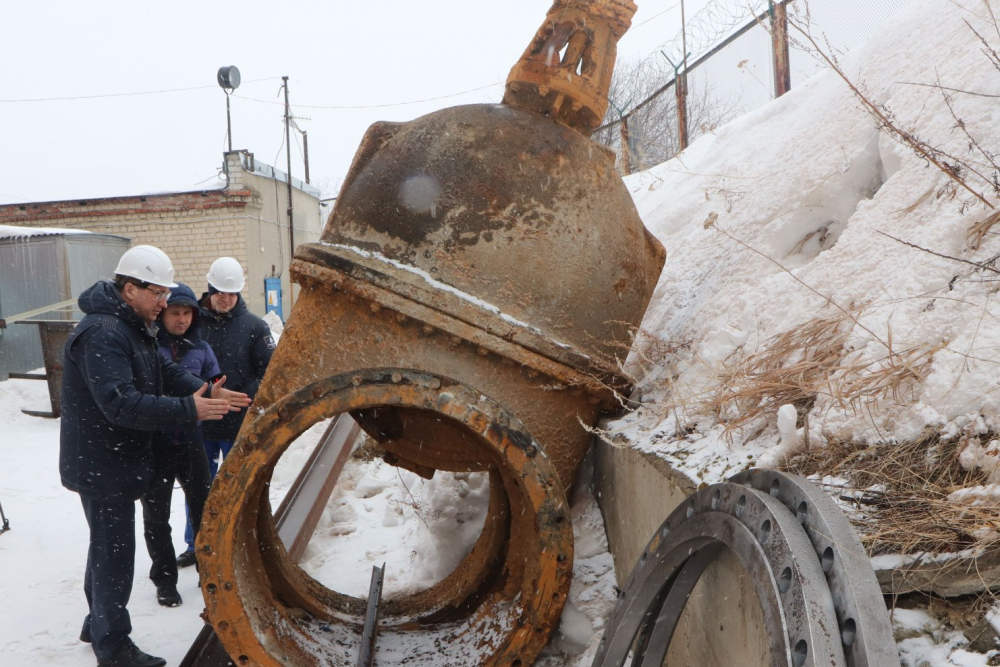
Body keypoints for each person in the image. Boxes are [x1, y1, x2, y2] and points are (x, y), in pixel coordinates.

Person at [60, 245, 251, 667]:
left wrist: (202, 389)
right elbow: (121, 403)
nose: (167, 303)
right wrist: (190, 409)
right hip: (102, 461)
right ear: (130, 289)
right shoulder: (105, 333)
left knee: (104, 546)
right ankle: (113, 648)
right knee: (114, 553)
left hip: (112, 457)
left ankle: (97, 622)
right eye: (159, 293)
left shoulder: (130, 325)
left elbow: (161, 371)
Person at [176, 257, 275, 568]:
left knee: (237, 486)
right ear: (210, 289)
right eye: (220, 292)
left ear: (239, 293)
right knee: (197, 485)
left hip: (237, 423)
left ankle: (234, 541)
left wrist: (245, 394)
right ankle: (196, 543)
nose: (225, 298)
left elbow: (269, 370)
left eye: (231, 293)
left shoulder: (255, 327)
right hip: (200, 422)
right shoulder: (192, 324)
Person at [141, 283, 220, 607]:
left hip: (191, 442)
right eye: (175, 312)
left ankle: (210, 572)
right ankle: (165, 580)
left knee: (205, 511)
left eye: (187, 313)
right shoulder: (148, 348)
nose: (181, 319)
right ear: (163, 314)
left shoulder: (201, 347)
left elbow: (215, 383)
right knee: (156, 518)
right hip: (156, 445)